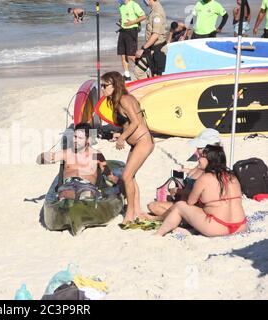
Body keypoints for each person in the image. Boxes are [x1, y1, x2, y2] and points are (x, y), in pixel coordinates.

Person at [156, 145, 247, 237]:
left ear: (210, 160)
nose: (198, 159)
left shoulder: (204, 178)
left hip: (217, 227)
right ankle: (190, 230)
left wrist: (181, 192)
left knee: (180, 205)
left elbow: (190, 202)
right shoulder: (233, 177)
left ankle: (158, 234)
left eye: (202, 157)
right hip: (240, 226)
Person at [101, 71, 154, 223]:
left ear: (114, 85)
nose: (102, 88)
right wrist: (119, 135)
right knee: (130, 176)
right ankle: (137, 210)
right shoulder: (118, 101)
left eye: (105, 85)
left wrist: (122, 139)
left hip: (144, 142)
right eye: (102, 85)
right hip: (137, 142)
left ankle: (129, 214)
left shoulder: (125, 99)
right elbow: (127, 124)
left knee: (126, 176)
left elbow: (136, 122)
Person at [146, 128, 222, 220]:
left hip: (193, 208)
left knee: (153, 206)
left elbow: (200, 196)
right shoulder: (203, 163)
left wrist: (179, 191)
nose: (197, 151)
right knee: (157, 204)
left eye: (199, 148)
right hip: (186, 203)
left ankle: (174, 219)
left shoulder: (209, 169)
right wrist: (188, 171)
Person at [36, 123, 118, 199]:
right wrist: (44, 157)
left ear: (88, 140)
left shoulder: (96, 155)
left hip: (87, 185)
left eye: (80, 138)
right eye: (75, 136)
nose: (76, 140)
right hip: (69, 185)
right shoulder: (66, 153)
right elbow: (39, 160)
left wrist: (119, 182)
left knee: (87, 195)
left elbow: (108, 174)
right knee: (67, 194)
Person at [134, 0, 168, 80]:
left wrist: (143, 48)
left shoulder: (157, 13)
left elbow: (155, 35)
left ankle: (151, 88)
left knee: (155, 77)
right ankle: (148, 85)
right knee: (138, 71)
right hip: (150, 48)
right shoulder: (153, 10)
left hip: (158, 50)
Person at [117, 0, 147, 82]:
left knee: (131, 55)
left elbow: (143, 16)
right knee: (122, 54)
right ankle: (127, 75)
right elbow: (124, 17)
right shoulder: (121, 5)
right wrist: (121, 22)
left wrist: (132, 22)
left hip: (132, 30)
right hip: (123, 30)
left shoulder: (134, 4)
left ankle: (145, 68)